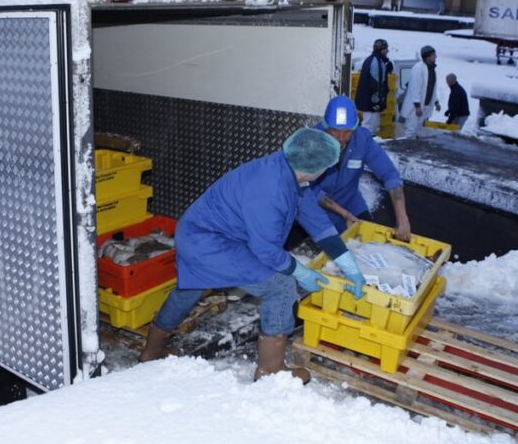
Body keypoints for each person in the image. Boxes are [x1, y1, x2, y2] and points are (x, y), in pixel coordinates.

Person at [138, 128, 368, 382]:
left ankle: (152, 352)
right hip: (208, 243)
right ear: (316, 169)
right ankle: (271, 371)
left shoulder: (288, 170)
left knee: (189, 289)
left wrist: (350, 266)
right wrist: (300, 272)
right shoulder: (271, 191)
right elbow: (266, 251)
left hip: (196, 232)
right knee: (280, 285)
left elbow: (316, 221)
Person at [312, 96, 412, 242]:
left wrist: (402, 218)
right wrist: (344, 214)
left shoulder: (362, 139)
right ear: (325, 126)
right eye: (334, 131)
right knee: (329, 253)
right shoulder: (312, 141)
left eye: (347, 131)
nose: (340, 137)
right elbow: (312, 191)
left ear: (355, 128)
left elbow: (390, 175)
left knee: (369, 242)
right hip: (319, 209)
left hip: (351, 201)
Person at [399, 45, 441, 139]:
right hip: (415, 107)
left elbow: (431, 88)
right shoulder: (418, 68)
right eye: (433, 55)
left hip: (425, 106)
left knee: (418, 130)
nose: (435, 57)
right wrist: (417, 106)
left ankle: (414, 150)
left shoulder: (431, 69)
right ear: (427, 56)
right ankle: (406, 149)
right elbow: (416, 88)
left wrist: (436, 101)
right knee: (411, 130)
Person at [354, 38, 394, 135]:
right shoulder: (376, 62)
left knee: (373, 126)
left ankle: (368, 145)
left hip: (368, 101)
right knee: (369, 126)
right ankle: (364, 146)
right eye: (386, 49)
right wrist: (375, 102)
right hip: (370, 102)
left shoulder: (374, 60)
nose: (387, 51)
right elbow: (375, 84)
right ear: (382, 50)